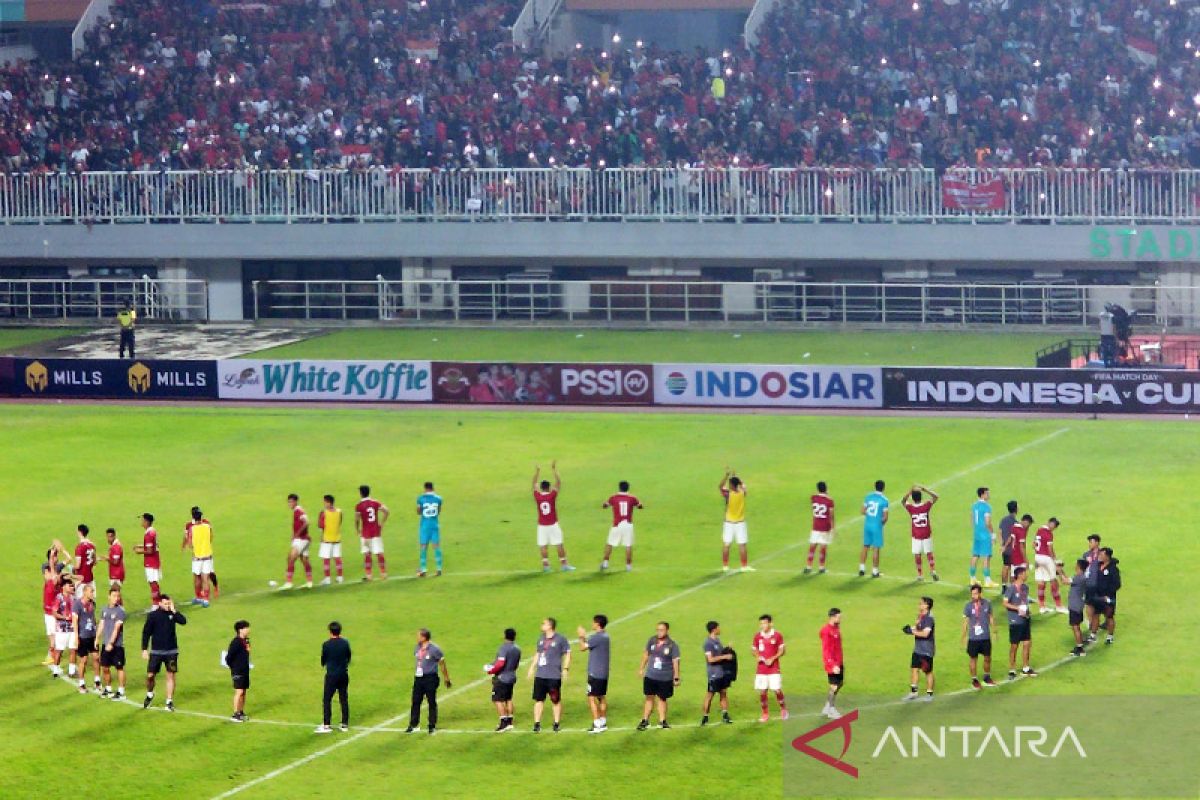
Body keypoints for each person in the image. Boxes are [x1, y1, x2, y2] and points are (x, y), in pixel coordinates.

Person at [141, 594, 187, 710]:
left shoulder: (172, 614)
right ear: (160, 603)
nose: (167, 606)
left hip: (171, 651)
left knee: (170, 675)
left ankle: (169, 701)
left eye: (168, 603)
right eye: (165, 604)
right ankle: (150, 693)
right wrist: (144, 649)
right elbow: (146, 633)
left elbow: (183, 621)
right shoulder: (153, 616)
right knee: (150, 676)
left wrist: (174, 610)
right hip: (156, 651)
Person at [527, 617, 570, 733]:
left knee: (555, 700)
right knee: (538, 700)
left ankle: (556, 723)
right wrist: (532, 668)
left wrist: (565, 669)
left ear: (550, 626)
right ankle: (536, 724)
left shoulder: (561, 639)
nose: (541, 625)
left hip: (554, 675)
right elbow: (538, 653)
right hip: (540, 675)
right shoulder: (541, 639)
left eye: (544, 624)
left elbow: (568, 654)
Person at [406, 629, 451, 735]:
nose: (417, 637)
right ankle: (413, 725)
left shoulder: (435, 649)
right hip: (418, 678)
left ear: (424, 637)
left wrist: (446, 678)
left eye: (418, 636)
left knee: (431, 701)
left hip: (430, 678)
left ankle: (432, 725)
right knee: (415, 701)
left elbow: (442, 664)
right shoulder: (417, 647)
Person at [637, 621, 681, 730]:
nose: (659, 632)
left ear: (667, 630)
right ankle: (645, 720)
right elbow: (646, 654)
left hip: (665, 677)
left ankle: (662, 721)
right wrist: (641, 668)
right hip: (651, 675)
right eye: (657, 630)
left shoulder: (672, 645)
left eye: (661, 630)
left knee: (662, 699)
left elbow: (675, 661)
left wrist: (676, 677)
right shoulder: (652, 640)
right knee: (649, 698)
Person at [533, 463, 573, 572]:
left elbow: (534, 484)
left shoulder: (538, 496)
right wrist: (554, 470)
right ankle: (564, 565)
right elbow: (559, 482)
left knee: (543, 545)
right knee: (559, 544)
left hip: (542, 525)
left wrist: (537, 471)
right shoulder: (552, 495)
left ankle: (546, 566)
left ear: (541, 488)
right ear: (549, 487)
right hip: (553, 525)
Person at [576, 615, 611, 733]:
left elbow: (582, 647)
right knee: (601, 697)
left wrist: (581, 636)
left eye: (593, 622)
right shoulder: (605, 636)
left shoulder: (597, 637)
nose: (592, 624)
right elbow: (590, 644)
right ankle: (603, 722)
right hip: (604, 673)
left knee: (591, 698)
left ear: (597, 624)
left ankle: (597, 725)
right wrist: (585, 638)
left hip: (595, 672)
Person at [1002, 567, 1037, 679]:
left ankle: (1025, 668)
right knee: (1014, 646)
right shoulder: (1011, 589)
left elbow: (1024, 601)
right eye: (1025, 573)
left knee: (1027, 643)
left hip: (1025, 619)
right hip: (1015, 621)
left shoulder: (1025, 587)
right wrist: (1017, 608)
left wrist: (1027, 610)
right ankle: (1012, 670)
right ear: (1020, 575)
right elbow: (1005, 603)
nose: (1026, 575)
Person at [483, 628, 520, 732]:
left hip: (502, 678)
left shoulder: (503, 648)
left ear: (504, 636)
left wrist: (491, 670)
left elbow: (500, 664)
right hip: (512, 676)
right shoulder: (517, 648)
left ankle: (503, 723)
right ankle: (510, 721)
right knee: (508, 699)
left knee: (497, 699)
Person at [317, 621, 351, 733]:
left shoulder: (326, 644)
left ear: (330, 632)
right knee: (343, 698)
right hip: (343, 674)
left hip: (331, 675)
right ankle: (344, 724)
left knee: (327, 699)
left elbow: (323, 660)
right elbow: (348, 657)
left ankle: (326, 725)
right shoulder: (345, 643)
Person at [601, 481, 642, 572]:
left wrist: (604, 504)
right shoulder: (632, 498)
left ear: (619, 488)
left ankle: (605, 563)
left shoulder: (614, 497)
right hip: (628, 524)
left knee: (610, 543)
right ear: (628, 488)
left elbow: (605, 505)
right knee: (628, 545)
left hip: (616, 524)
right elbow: (640, 506)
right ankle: (628, 566)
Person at [961, 584, 997, 689]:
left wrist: (994, 632)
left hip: (985, 637)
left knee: (988, 658)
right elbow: (965, 622)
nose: (973, 596)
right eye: (972, 594)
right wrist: (963, 637)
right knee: (973, 659)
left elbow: (991, 618)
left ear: (981, 593)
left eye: (976, 593)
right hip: (973, 638)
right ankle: (974, 679)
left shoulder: (987, 603)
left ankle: (987, 677)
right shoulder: (968, 606)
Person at [753, 614, 787, 721]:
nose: (762, 625)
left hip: (774, 668)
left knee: (777, 690)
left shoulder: (777, 635)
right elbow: (754, 649)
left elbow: (782, 650)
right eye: (761, 623)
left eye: (764, 623)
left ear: (770, 623)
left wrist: (773, 658)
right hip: (761, 669)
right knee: (762, 691)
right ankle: (765, 713)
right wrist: (757, 656)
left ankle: (783, 709)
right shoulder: (758, 636)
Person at [902, 485, 940, 582]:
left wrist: (909, 491)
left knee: (917, 554)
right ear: (921, 497)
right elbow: (936, 496)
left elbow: (903, 501)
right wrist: (925, 489)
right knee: (929, 552)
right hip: (926, 532)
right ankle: (932, 570)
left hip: (916, 534)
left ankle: (920, 574)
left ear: (913, 498)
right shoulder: (926, 506)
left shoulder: (910, 508)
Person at [719, 468, 753, 572]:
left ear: (732, 485)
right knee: (742, 545)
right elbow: (744, 486)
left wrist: (726, 476)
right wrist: (737, 477)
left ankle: (725, 566)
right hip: (740, 523)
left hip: (728, 522)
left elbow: (720, 486)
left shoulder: (728, 494)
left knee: (726, 544)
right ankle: (744, 566)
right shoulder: (742, 493)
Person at [903, 597, 936, 700]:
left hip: (926, 650)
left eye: (921, 603)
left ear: (927, 605)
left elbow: (926, 634)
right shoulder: (921, 616)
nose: (919, 604)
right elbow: (919, 628)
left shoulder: (929, 618)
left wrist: (912, 632)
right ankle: (913, 693)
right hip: (917, 649)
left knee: (928, 672)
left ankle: (929, 694)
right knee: (914, 669)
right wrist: (910, 629)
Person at [701, 620, 734, 726]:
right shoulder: (708, 643)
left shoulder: (717, 640)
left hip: (721, 672)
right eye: (718, 627)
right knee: (710, 695)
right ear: (714, 629)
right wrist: (725, 656)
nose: (720, 629)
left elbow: (719, 654)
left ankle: (725, 715)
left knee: (723, 693)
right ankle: (705, 717)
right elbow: (710, 659)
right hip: (714, 673)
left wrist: (727, 649)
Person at [97, 587, 127, 700]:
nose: (116, 599)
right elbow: (101, 624)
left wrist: (111, 643)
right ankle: (108, 689)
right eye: (114, 596)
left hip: (117, 645)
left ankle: (121, 691)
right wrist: (96, 638)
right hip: (106, 643)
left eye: (118, 596)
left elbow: (117, 628)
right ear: (109, 596)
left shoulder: (120, 611)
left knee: (119, 667)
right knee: (105, 667)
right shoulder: (104, 610)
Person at [355, 485, 389, 581]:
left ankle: (369, 575)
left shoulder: (359, 505)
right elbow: (386, 511)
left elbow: (357, 519)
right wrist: (381, 524)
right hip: (375, 532)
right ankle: (383, 573)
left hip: (365, 533)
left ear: (361, 493)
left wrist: (357, 529)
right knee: (379, 553)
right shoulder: (375, 502)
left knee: (367, 554)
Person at [72, 583, 101, 694]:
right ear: (84, 592)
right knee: (83, 660)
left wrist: (96, 629)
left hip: (92, 635)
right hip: (83, 636)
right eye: (91, 591)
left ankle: (97, 681)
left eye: (92, 591)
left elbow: (93, 617)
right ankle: (81, 683)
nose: (92, 593)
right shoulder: (77, 604)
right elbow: (75, 621)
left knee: (96, 657)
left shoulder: (92, 603)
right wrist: (76, 636)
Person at [1033, 517, 1066, 614]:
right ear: (1050, 523)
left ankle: (1042, 607)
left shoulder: (1039, 530)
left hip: (1038, 557)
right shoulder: (1048, 533)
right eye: (1054, 526)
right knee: (1054, 582)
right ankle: (1059, 606)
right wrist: (1055, 560)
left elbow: (1033, 544)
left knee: (1041, 583)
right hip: (1046, 558)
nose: (1053, 528)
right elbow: (1050, 548)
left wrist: (1038, 554)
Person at [182, 508, 214, 606]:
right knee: (205, 578)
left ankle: (198, 597)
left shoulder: (192, 529)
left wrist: (188, 540)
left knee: (197, 578)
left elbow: (190, 544)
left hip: (197, 557)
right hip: (207, 556)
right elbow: (211, 538)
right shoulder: (208, 526)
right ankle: (206, 599)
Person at [281, 493, 313, 590]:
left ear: (295, 502)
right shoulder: (297, 510)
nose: (289, 504)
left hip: (301, 539)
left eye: (291, 502)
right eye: (288, 502)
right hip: (303, 539)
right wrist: (293, 533)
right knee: (304, 560)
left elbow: (307, 522)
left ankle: (289, 582)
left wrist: (297, 534)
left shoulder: (298, 510)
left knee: (291, 558)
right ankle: (309, 582)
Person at [1090, 547, 1121, 646]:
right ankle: (1093, 635)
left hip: (1108, 598)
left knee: (1109, 617)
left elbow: (1117, 584)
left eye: (1101, 555)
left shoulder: (1113, 569)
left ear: (1107, 556)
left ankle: (1110, 637)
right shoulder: (1098, 566)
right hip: (1098, 596)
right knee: (1095, 615)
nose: (1099, 556)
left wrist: (1107, 594)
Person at [804, 481, 835, 575]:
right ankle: (821, 567)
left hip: (816, 525)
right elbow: (831, 515)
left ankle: (808, 566)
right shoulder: (829, 501)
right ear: (826, 488)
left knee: (812, 546)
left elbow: (814, 497)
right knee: (823, 547)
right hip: (825, 526)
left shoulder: (813, 498)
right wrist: (833, 528)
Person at [859, 480, 889, 577]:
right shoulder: (884, 500)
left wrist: (870, 516)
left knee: (865, 546)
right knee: (876, 549)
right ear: (883, 488)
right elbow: (885, 517)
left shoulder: (868, 497)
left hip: (867, 525)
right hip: (877, 526)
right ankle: (875, 571)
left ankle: (862, 568)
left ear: (875, 486)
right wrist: (881, 523)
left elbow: (862, 511)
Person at [132, 513, 162, 607]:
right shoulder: (152, 531)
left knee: (153, 583)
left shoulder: (149, 534)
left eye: (142, 520)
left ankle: (156, 604)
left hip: (151, 562)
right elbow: (155, 546)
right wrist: (140, 546)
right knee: (154, 583)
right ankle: (158, 602)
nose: (141, 522)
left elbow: (149, 551)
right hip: (154, 561)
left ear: (146, 522)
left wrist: (139, 551)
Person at [819, 608, 844, 719]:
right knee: (834, 686)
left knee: (840, 683)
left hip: (838, 662)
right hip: (832, 664)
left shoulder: (836, 628)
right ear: (832, 617)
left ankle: (827, 706)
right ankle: (831, 709)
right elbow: (825, 650)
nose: (840, 619)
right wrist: (832, 665)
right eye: (839, 617)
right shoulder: (826, 631)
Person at [969, 488, 996, 588]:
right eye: (987, 493)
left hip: (977, 533)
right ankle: (987, 580)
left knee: (975, 555)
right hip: (985, 534)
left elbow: (971, 520)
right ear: (982, 494)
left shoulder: (974, 505)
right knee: (987, 556)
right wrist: (992, 534)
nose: (989, 495)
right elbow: (988, 522)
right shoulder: (987, 507)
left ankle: (972, 578)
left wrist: (977, 529)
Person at [416, 481, 444, 577]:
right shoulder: (439, 498)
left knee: (423, 546)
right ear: (433, 488)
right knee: (436, 546)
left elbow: (418, 512)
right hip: (435, 525)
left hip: (425, 526)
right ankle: (439, 568)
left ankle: (423, 570)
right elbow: (439, 511)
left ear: (425, 488)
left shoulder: (420, 498)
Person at [50, 579, 75, 679]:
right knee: (59, 650)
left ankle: (72, 671)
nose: (71, 588)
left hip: (72, 628)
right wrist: (64, 617)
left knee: (73, 649)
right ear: (64, 587)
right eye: (70, 586)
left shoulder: (73, 598)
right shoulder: (59, 598)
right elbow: (54, 612)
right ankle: (55, 670)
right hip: (62, 628)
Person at [227, 620, 251, 722]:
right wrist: (234, 667)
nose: (248, 630)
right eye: (246, 628)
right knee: (239, 691)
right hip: (237, 671)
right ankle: (235, 714)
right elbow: (229, 657)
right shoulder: (236, 642)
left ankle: (241, 712)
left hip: (245, 670)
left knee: (244, 691)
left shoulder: (246, 641)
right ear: (240, 630)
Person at [318, 495, 344, 585]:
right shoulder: (340, 512)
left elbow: (321, 527)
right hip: (337, 538)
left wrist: (321, 537)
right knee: (337, 558)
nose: (324, 503)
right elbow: (340, 522)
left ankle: (327, 579)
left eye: (325, 502)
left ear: (329, 502)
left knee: (326, 559)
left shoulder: (323, 513)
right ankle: (340, 577)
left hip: (326, 539)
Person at [1065, 559, 1089, 657]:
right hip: (1078, 604)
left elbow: (1065, 581)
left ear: (1079, 567)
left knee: (1075, 627)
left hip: (1075, 605)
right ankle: (1080, 643)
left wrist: (1059, 570)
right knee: (1077, 625)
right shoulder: (1082, 577)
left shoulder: (1078, 578)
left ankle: (1080, 648)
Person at [1081, 534, 1103, 633]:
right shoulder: (1086, 555)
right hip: (1088, 584)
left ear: (1097, 543)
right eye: (1089, 542)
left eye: (1091, 542)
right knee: (1089, 604)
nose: (1089, 544)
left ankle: (1099, 623)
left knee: (1098, 606)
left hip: (1099, 584)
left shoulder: (1103, 554)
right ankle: (1091, 624)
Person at [73, 524, 97, 597]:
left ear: (80, 532)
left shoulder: (79, 547)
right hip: (90, 578)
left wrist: (73, 568)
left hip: (81, 580)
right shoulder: (92, 546)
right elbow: (95, 562)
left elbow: (78, 565)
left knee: (80, 602)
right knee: (91, 601)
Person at [998, 500, 1019, 585]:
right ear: (1016, 509)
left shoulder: (1003, 520)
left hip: (1004, 548)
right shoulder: (1015, 523)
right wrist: (1005, 546)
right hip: (1011, 548)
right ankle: (1011, 587)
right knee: (1012, 568)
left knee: (1005, 565)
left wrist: (1001, 545)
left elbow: (999, 532)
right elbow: (1011, 537)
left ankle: (1004, 586)